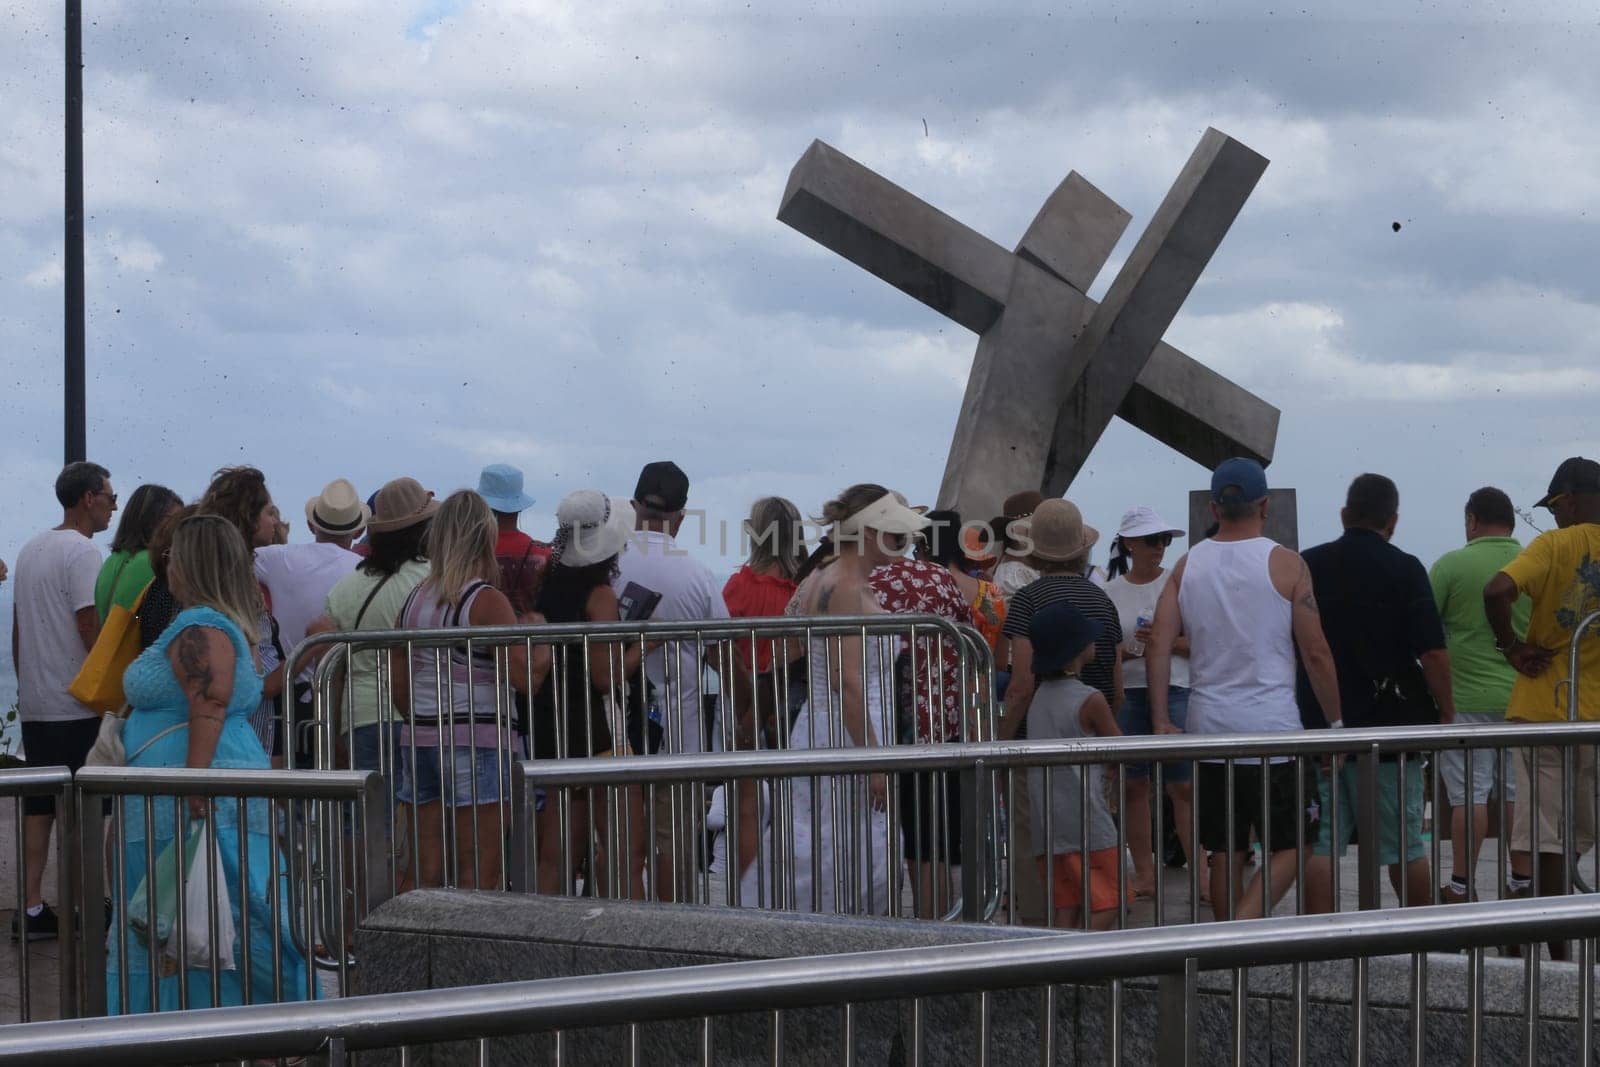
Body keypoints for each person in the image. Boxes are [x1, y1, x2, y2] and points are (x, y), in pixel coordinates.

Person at [108, 514, 316, 1013]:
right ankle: (248, 1025)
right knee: (217, 914)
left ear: (194, 562)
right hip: (198, 799)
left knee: (214, 913)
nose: (169, 565)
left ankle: (225, 1025)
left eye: (176, 555)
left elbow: (211, 701)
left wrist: (194, 782)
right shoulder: (227, 626)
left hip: (195, 804)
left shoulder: (200, 626)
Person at [1147, 458, 1342, 921]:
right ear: (1265, 506)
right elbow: (1315, 652)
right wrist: (1336, 723)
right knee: (1296, 841)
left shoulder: (1187, 565)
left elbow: (1158, 641)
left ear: (1214, 508)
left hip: (1209, 729)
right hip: (1274, 731)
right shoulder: (1287, 564)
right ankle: (1243, 926)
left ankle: (1225, 952)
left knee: (1224, 849)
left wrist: (1160, 719)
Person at [731, 484, 927, 914]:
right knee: (851, 848)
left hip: (822, 726)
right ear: (869, 532)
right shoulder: (848, 587)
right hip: (851, 729)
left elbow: (789, 647)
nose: (904, 543)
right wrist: (873, 757)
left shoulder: (821, 576)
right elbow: (847, 682)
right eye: (895, 533)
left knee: (816, 839)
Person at [1299, 474, 1454, 913]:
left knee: (1323, 842)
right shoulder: (1405, 568)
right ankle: (1425, 942)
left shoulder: (1309, 565)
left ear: (1344, 515)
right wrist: (1446, 712)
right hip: (1392, 731)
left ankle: (1317, 946)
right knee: (1405, 845)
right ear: (1394, 521)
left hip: (1321, 730)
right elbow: (1433, 652)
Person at [389, 490, 544, 892]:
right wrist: (541, 643)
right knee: (481, 871)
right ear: (484, 539)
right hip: (477, 743)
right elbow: (526, 680)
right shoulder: (485, 600)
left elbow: (399, 688)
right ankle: (473, 954)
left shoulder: (413, 599)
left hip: (420, 738)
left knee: (423, 870)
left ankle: (405, 950)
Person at [1485, 456, 1600, 958]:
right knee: (1577, 833)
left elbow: (1498, 590)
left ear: (1571, 499)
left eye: (1554, 505)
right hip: (1595, 716)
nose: (1552, 516)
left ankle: (1560, 957)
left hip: (1546, 705)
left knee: (1547, 837)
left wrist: (1509, 645)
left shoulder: (1555, 545)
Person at [994, 497, 1120, 926]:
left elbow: (1022, 682)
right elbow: (1115, 677)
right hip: (1093, 745)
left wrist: (1002, 741)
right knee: (1093, 843)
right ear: (1083, 550)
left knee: (1039, 845)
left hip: (1040, 746)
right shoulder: (1102, 602)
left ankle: (1041, 937)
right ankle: (1092, 938)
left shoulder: (1027, 600)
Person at [612, 461, 731, 901]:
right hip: (679, 735)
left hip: (613, 732)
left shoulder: (610, 563)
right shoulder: (697, 574)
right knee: (673, 846)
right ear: (681, 515)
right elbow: (723, 651)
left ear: (634, 504)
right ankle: (669, 936)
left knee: (620, 845)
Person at [10, 461, 114, 940]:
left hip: (38, 702)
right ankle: (82, 904)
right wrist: (112, 687)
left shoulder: (30, 549)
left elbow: (18, 631)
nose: (114, 503)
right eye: (109, 495)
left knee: (40, 808)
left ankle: (31, 907)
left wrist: (30, 680)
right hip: (77, 704)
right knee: (83, 808)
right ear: (88, 498)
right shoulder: (83, 553)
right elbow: (88, 625)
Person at [531, 490, 650, 899]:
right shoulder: (600, 597)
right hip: (600, 731)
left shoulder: (543, 590)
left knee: (557, 854)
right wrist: (644, 646)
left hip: (556, 728)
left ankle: (540, 940)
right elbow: (605, 676)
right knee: (624, 853)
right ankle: (627, 942)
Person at [317, 477, 437, 871]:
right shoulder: (432, 580)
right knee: (422, 822)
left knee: (365, 824)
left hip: (359, 716)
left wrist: (331, 729)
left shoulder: (347, 586)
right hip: (419, 714)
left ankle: (357, 917)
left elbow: (333, 668)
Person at [871, 511, 974, 918]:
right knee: (936, 831)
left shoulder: (870, 584)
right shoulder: (939, 578)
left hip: (892, 720)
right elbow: (967, 631)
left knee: (906, 831)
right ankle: (939, 920)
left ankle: (919, 921)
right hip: (944, 718)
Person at [1429, 487, 1527, 903]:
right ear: (1512, 522)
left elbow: (1424, 630)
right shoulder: (1531, 563)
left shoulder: (1451, 565)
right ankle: (1520, 881)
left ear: (1471, 520)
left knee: (1469, 794)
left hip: (1464, 700)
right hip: (1522, 698)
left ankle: (1461, 886)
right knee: (1511, 792)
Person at [1102, 505, 1200, 899]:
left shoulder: (1180, 584)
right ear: (1129, 544)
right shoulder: (1109, 592)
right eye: (1151, 540)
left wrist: (1162, 643)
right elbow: (1105, 651)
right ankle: (1144, 872)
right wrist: (1130, 650)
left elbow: (1200, 643)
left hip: (1176, 685)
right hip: (1130, 690)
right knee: (1133, 785)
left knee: (1184, 786)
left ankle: (1201, 870)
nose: (1160, 547)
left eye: (1163, 540)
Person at [1027, 601, 1130, 929]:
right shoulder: (1090, 699)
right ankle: (1081, 965)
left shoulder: (1040, 696)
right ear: (1075, 650)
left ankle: (1056, 974)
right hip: (1088, 820)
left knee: (1066, 904)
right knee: (1113, 897)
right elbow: (1120, 746)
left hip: (1049, 823)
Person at [253, 479, 366, 766]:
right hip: (342, 707)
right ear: (359, 529)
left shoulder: (279, 559)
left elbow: (230, 554)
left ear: (312, 524)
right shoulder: (361, 571)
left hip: (286, 706)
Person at [191, 467, 287, 756]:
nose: (275, 520)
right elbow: (259, 681)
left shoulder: (218, 573)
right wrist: (307, 652)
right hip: (243, 736)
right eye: (269, 512)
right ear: (249, 517)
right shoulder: (234, 583)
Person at [721, 496, 809, 748]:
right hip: (792, 697)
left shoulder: (739, 586)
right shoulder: (807, 588)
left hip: (741, 698)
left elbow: (720, 649)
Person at [94, 483, 181, 622]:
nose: (180, 527)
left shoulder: (111, 561)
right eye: (176, 519)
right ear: (153, 518)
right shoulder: (152, 562)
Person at [477, 463, 550, 616]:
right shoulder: (544, 554)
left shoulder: (471, 555)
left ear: (482, 505)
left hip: (483, 638)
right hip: (534, 638)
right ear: (519, 506)